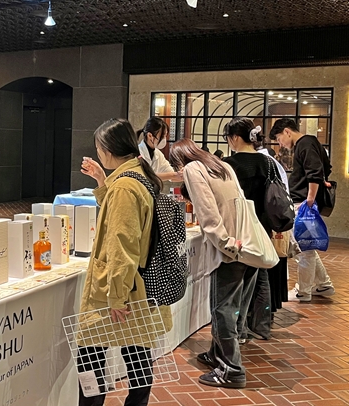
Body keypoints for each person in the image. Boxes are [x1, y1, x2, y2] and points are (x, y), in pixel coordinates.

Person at [78, 118, 169, 405]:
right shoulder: (136, 176)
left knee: (90, 358)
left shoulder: (124, 188)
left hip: (118, 292)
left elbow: (122, 244)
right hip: (137, 289)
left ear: (107, 150)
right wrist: (102, 182)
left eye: (98, 148)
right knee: (138, 358)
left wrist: (116, 296)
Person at [170, 138, 253, 389]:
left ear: (180, 161)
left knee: (222, 309)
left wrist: (225, 243)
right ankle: (217, 354)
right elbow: (240, 203)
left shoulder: (193, 169)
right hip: (243, 242)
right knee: (229, 306)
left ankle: (231, 369)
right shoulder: (220, 164)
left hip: (228, 248)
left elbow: (207, 213)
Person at [223, 118, 283, 342]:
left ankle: (238, 329)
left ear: (234, 138)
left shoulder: (230, 164)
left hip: (239, 226)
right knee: (258, 275)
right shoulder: (268, 162)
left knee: (236, 281)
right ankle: (260, 325)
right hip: (262, 226)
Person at [269, 118, 335, 302]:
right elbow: (325, 168)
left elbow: (315, 172)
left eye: (279, 139)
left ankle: (303, 291)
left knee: (303, 248)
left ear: (287, 131)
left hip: (303, 203)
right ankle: (324, 284)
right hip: (304, 202)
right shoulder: (309, 143)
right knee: (306, 246)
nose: (280, 144)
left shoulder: (305, 143)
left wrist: (309, 200)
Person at [255, 139, 291, 315]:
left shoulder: (261, 162)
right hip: (277, 219)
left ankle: (266, 307)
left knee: (268, 263)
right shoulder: (273, 162)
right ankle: (273, 303)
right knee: (275, 262)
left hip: (267, 220)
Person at [137, 117, 182, 182]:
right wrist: (174, 175)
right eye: (162, 136)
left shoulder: (158, 154)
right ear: (150, 136)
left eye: (165, 136)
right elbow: (145, 177)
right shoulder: (137, 153)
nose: (164, 139)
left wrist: (183, 174)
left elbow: (171, 176)